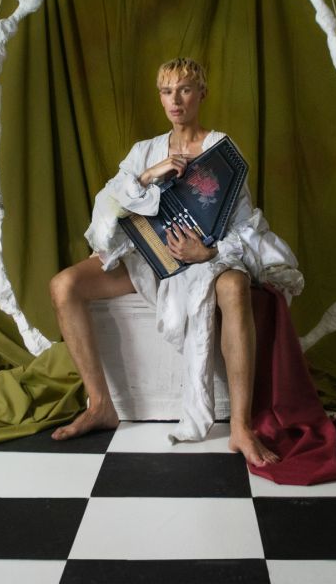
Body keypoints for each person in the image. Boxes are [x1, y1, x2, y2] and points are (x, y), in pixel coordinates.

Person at [49, 58, 303, 467]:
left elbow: (246, 225)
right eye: (167, 92)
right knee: (64, 285)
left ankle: (241, 427)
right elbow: (106, 208)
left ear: (202, 93)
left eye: (185, 90)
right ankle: (100, 405)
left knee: (235, 285)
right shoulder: (144, 151)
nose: (176, 101)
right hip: (149, 258)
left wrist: (209, 253)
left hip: (206, 259)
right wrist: (147, 176)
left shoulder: (222, 150)